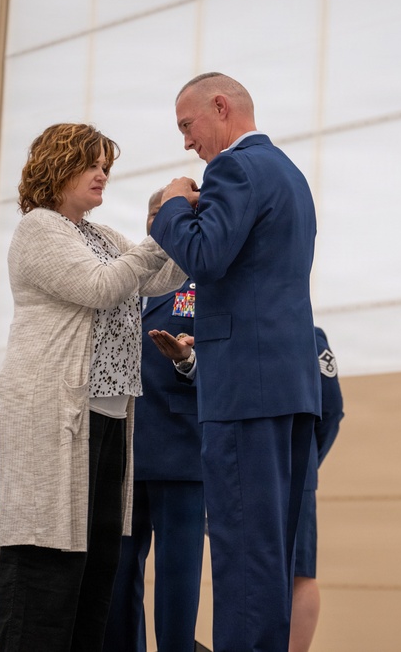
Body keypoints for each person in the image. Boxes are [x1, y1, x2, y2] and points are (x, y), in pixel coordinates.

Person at [0, 123, 186, 652]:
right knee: (45, 562)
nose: (102, 174)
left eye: (106, 165)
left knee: (94, 563)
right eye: (91, 163)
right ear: (58, 167)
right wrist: (162, 223)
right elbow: (101, 287)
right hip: (52, 415)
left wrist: (189, 223)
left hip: (106, 417)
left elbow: (160, 276)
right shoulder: (40, 229)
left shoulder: (101, 237)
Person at [151, 72, 322, 651]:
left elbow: (206, 254)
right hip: (289, 388)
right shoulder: (290, 174)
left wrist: (174, 205)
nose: (186, 143)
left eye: (187, 125)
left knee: (243, 555)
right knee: (269, 560)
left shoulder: (235, 168)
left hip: (244, 393)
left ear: (220, 108)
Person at [103, 192, 205, 652]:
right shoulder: (122, 277)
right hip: (122, 454)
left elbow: (229, 365)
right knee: (118, 580)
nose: (159, 223)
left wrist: (189, 362)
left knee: (177, 586)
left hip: (182, 454)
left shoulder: (208, 277)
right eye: (153, 215)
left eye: (170, 214)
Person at [290, 326, 344, 652]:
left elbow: (332, 408)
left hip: (293, 469)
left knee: (299, 572)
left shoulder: (309, 334)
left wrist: (307, 462)